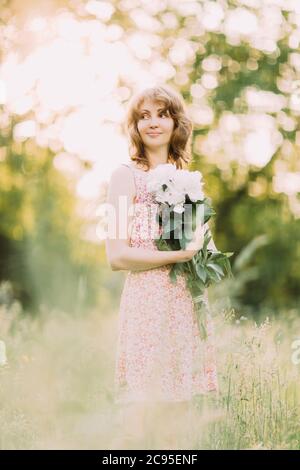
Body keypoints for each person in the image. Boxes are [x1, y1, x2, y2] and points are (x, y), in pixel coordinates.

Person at [105, 84, 219, 449]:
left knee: (178, 422)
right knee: (142, 412)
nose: (153, 123)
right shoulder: (124, 176)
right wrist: (178, 256)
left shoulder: (189, 181)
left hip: (186, 304)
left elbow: (200, 249)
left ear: (176, 122)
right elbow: (116, 256)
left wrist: (203, 251)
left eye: (162, 114)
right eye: (144, 116)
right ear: (135, 126)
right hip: (146, 304)